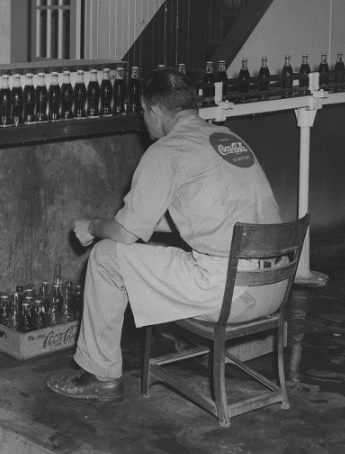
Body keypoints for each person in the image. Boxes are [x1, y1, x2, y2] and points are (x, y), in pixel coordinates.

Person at [46, 67, 282, 401]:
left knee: (105, 258)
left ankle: (101, 376)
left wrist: (93, 226)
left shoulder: (165, 152)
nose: (144, 120)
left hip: (229, 293)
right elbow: (212, 216)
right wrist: (134, 222)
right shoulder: (226, 139)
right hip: (274, 288)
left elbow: (125, 236)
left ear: (155, 111)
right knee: (150, 248)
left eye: (143, 112)